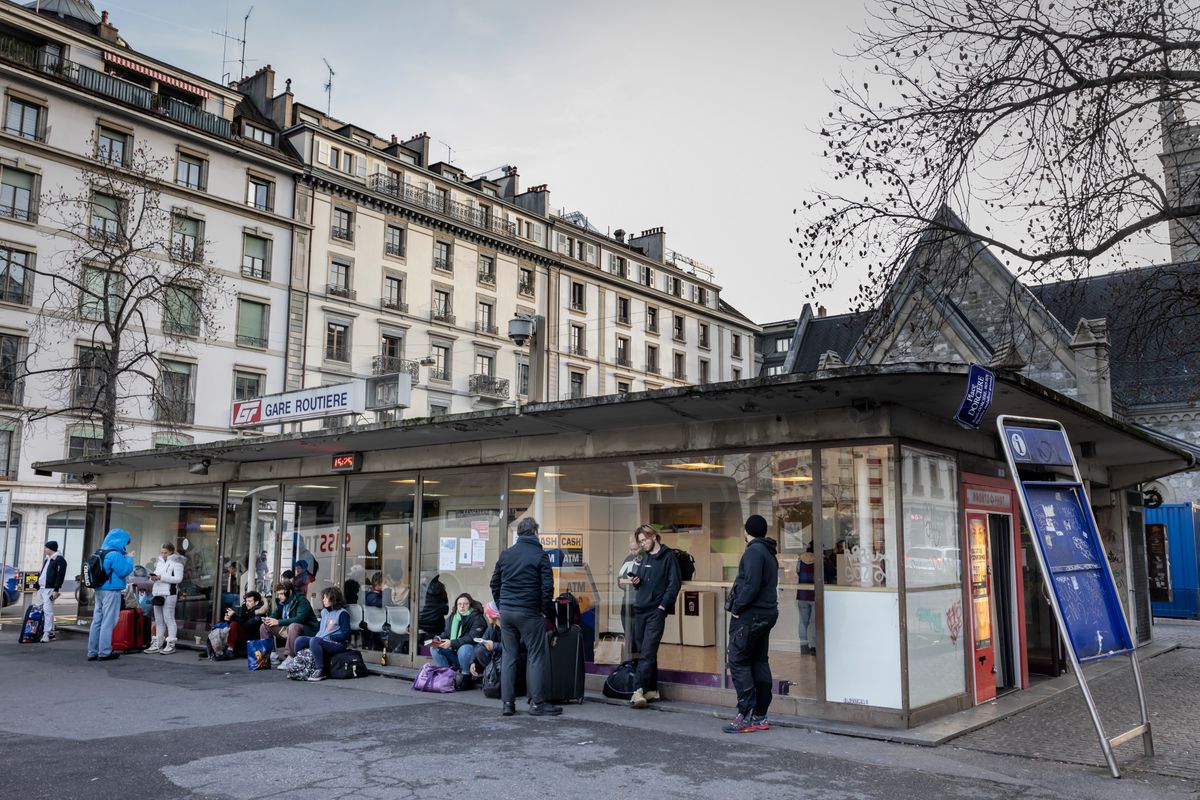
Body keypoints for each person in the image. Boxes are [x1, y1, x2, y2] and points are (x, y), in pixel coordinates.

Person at [489, 516, 561, 717]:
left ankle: (508, 704)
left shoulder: (506, 555)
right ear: (535, 532)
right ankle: (537, 704)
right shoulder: (540, 555)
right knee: (536, 656)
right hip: (529, 613)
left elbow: (494, 583)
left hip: (507, 613)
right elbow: (547, 589)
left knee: (509, 656)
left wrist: (502, 605)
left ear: (519, 534)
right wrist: (547, 612)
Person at [723, 514, 780, 733]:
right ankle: (760, 714)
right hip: (766, 614)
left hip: (750, 616)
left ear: (746, 531)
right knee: (758, 661)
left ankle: (745, 715)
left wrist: (737, 609)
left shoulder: (753, 552)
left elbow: (750, 585)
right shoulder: (768, 551)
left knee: (738, 660)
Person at [627, 524, 681, 709]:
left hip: (655, 611)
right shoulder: (642, 556)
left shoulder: (668, 557)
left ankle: (637, 691)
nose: (642, 544)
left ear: (654, 537)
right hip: (640, 608)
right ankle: (651, 689)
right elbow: (641, 580)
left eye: (644, 540)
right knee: (644, 651)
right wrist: (636, 581)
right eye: (640, 541)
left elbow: (674, 584)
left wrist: (662, 606)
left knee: (648, 651)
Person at [86, 528, 135, 662]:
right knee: (108, 621)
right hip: (111, 590)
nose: (125, 546)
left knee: (97, 620)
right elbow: (123, 571)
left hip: (99, 589)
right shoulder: (115, 554)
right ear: (120, 541)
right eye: (125, 542)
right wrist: (130, 559)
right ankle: (104, 652)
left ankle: (92, 652)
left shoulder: (100, 551)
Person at [294, 586, 351, 682]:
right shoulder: (324, 612)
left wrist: (331, 637)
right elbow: (321, 630)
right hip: (321, 640)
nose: (323, 600)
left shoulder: (342, 613)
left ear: (334, 598)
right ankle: (301, 665)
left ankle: (320, 670)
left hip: (337, 643)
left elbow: (347, 634)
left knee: (315, 641)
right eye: (323, 597)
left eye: (326, 597)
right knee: (300, 640)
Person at [260, 581, 319, 668]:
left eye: (281, 594)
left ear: (290, 592)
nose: (279, 596)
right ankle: (271, 655)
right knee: (264, 626)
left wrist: (278, 622)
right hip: (288, 629)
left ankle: (290, 657)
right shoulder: (281, 602)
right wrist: (268, 619)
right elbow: (275, 615)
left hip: (307, 630)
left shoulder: (301, 601)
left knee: (294, 625)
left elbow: (300, 619)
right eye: (278, 594)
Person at [430, 593, 487, 673]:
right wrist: (437, 639)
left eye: (465, 604)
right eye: (459, 604)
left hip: (471, 655)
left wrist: (451, 643)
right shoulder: (453, 617)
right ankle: (445, 674)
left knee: (464, 649)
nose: (462, 606)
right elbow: (446, 633)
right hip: (454, 651)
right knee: (435, 648)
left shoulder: (477, 618)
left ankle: (465, 675)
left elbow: (472, 638)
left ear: (470, 605)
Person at [145, 543, 186, 655]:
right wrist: (153, 578)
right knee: (158, 620)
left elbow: (178, 579)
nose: (163, 554)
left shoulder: (177, 562)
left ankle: (171, 643)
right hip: (158, 592)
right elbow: (158, 575)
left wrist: (161, 577)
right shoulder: (160, 562)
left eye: (165, 552)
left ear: (171, 552)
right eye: (162, 552)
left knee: (169, 619)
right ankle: (158, 643)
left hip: (169, 593)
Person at [208, 590, 265, 660]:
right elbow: (240, 621)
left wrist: (234, 616)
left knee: (234, 624)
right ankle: (223, 649)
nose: (247, 603)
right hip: (244, 637)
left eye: (250, 601)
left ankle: (230, 650)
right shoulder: (245, 608)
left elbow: (247, 626)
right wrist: (229, 618)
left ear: (256, 602)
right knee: (229, 624)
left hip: (252, 639)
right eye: (246, 601)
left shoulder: (259, 612)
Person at [35, 541, 67, 643]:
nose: (44, 549)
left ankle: (47, 633)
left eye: (46, 548)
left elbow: (60, 576)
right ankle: (51, 632)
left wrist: (56, 590)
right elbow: (43, 572)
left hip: (50, 589)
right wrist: (37, 584)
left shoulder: (59, 559)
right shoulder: (48, 559)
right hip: (42, 588)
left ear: (50, 548)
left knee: (48, 611)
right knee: (42, 610)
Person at [615, 533, 640, 661]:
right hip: (627, 603)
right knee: (629, 636)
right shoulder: (628, 559)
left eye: (636, 549)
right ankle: (629, 664)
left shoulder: (647, 560)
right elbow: (619, 580)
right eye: (631, 549)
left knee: (638, 637)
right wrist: (625, 583)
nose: (633, 552)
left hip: (640, 603)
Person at [469, 601, 503, 679]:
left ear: (493, 615)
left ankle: (497, 676)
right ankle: (492, 674)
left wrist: (494, 645)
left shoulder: (508, 628)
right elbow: (480, 643)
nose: (486, 616)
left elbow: (513, 647)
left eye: (487, 613)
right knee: (480, 650)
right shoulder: (491, 627)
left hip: (507, 657)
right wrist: (472, 662)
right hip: (497, 656)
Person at [796, 545, 816, 656]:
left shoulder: (800, 560)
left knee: (803, 622)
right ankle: (814, 647)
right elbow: (830, 571)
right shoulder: (819, 559)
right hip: (814, 595)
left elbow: (796, 573)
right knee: (814, 622)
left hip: (802, 594)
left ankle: (803, 646)